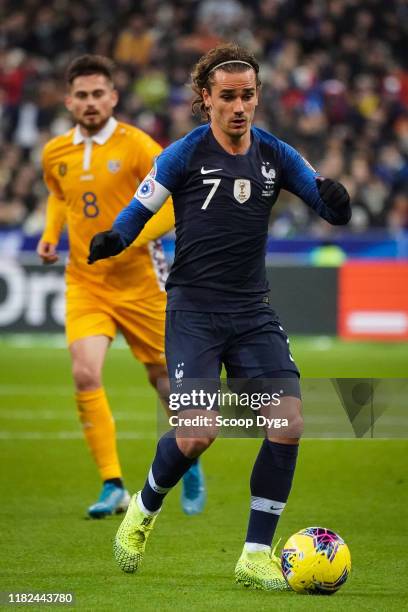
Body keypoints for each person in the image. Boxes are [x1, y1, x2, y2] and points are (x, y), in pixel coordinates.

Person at [88, 44, 351, 589]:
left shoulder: (276, 155)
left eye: (247, 96)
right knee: (197, 433)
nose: (238, 106)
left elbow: (322, 198)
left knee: (288, 422)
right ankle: (145, 507)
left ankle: (255, 554)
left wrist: (335, 200)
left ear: (257, 97)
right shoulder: (184, 154)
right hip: (194, 313)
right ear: (205, 98)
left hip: (253, 310)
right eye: (227, 96)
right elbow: (139, 209)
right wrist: (115, 237)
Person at [37, 54, 206, 519]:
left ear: (113, 97)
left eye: (99, 94)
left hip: (140, 282)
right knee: (85, 373)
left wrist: (127, 236)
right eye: (82, 96)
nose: (90, 103)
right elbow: (58, 195)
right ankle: (112, 483)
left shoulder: (137, 146)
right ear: (69, 101)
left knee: (165, 381)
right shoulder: (55, 153)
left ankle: (186, 457)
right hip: (85, 283)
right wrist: (51, 235)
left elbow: (172, 206)